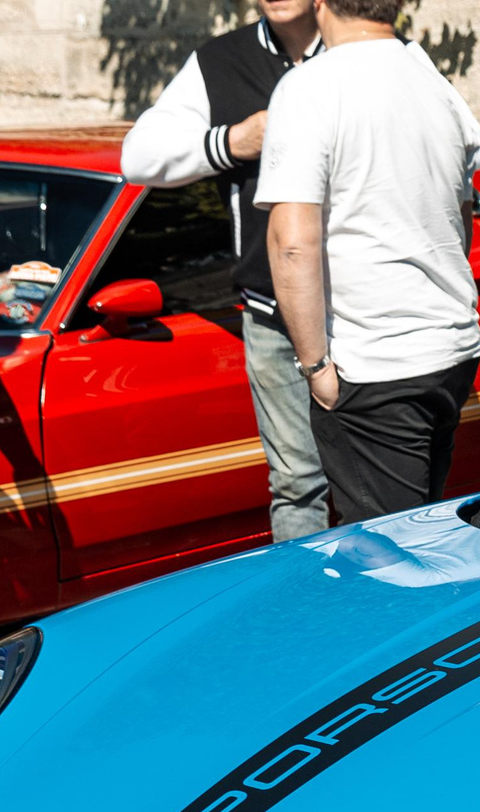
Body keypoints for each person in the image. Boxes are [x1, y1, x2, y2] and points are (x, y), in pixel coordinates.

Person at [257, 0, 480, 526]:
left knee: (393, 559)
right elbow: (461, 211)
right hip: (450, 348)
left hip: (376, 364)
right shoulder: (431, 78)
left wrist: (316, 369)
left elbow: (292, 242)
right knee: (425, 533)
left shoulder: (311, 86)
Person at [122, 0, 325, 541]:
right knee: (298, 483)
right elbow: (139, 157)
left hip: (362, 304)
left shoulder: (366, 49)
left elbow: (469, 145)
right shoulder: (221, 59)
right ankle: (310, 615)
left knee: (373, 476)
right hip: (270, 312)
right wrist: (234, 141)